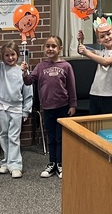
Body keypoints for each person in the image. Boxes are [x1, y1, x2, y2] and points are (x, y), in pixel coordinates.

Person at [23, 35, 76, 178]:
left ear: (60, 48)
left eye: (54, 46)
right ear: (44, 48)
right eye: (48, 46)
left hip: (63, 107)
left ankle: (60, 163)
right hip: (47, 108)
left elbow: (71, 87)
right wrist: (25, 72)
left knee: (60, 137)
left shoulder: (66, 66)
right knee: (51, 137)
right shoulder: (41, 66)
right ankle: (52, 162)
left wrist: (73, 104)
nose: (50, 49)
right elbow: (28, 81)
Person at [0, 41, 33, 178]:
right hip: (1, 105)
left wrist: (26, 110)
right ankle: (6, 162)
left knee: (14, 136)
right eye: (7, 55)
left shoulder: (22, 71)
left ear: (17, 55)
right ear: (2, 56)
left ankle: (16, 165)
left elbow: (28, 92)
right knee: (3, 134)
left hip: (16, 107)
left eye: (13, 55)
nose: (10, 58)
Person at [76, 16, 112, 114]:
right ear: (99, 41)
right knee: (94, 121)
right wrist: (80, 42)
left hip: (111, 95)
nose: (106, 38)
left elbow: (106, 62)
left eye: (108, 34)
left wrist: (86, 52)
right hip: (95, 93)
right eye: (102, 36)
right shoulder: (99, 52)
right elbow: (81, 51)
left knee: (110, 122)